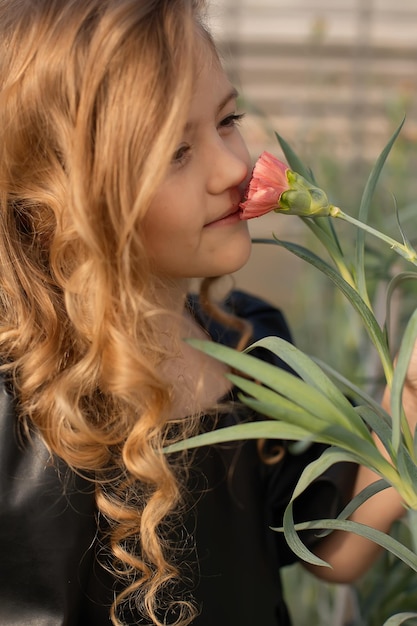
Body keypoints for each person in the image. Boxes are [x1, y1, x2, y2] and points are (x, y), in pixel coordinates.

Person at [0, 1, 416, 625]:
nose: (232, 167)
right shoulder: (30, 406)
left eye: (228, 119)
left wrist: (404, 407)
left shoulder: (253, 345)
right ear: (77, 197)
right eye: (174, 152)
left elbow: (326, 545)